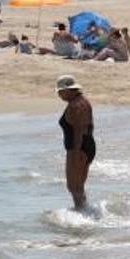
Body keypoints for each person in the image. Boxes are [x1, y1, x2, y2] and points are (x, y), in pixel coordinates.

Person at [56, 75, 95, 210]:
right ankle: (85, 211)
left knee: (73, 187)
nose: (59, 94)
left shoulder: (74, 106)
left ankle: (81, 217)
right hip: (88, 145)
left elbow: (78, 131)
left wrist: (76, 153)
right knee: (79, 187)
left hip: (77, 147)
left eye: (61, 91)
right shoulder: (84, 101)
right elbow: (89, 127)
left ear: (70, 91)